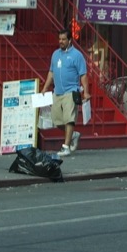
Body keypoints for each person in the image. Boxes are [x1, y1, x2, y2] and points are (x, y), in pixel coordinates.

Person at [42, 28, 91, 156]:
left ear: (70, 40)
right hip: (57, 92)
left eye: (64, 39)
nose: (61, 41)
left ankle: (66, 146)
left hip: (72, 91)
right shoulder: (55, 54)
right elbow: (51, 72)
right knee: (57, 120)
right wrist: (45, 88)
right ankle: (73, 135)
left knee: (69, 119)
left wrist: (86, 92)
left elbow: (83, 75)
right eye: (59, 39)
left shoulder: (77, 55)